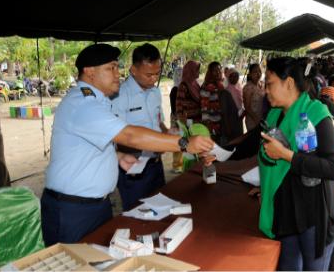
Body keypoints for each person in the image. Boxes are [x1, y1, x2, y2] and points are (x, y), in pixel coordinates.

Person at [41, 44, 214, 246]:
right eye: (110, 68)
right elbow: (129, 135)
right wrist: (184, 143)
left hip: (95, 205)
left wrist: (117, 157)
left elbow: (90, 144)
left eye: (117, 67)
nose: (117, 74)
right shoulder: (83, 103)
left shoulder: (99, 101)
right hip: (72, 210)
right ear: (89, 72)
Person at [258, 57, 334, 271]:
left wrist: (287, 155)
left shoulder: (317, 113)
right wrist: (218, 152)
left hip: (313, 215)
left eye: (269, 84)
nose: (265, 90)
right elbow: (251, 142)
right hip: (286, 214)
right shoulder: (274, 115)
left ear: (288, 83)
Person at [111, 43, 169, 211]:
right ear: (133, 70)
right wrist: (156, 144)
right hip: (134, 167)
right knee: (137, 216)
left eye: (157, 73)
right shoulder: (119, 95)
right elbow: (117, 137)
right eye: (149, 74)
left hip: (156, 165)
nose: (154, 79)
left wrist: (167, 133)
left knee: (161, 212)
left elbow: (159, 123)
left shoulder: (155, 92)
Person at [200, 61, 224, 142]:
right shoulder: (207, 86)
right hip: (211, 124)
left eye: (219, 70)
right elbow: (204, 107)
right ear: (210, 72)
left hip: (220, 122)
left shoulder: (220, 84)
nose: (218, 72)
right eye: (215, 70)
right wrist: (208, 126)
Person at [243, 63, 265, 131]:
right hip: (253, 120)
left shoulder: (260, 85)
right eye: (255, 72)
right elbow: (247, 107)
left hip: (260, 118)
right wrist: (256, 120)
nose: (258, 74)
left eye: (259, 71)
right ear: (250, 74)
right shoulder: (248, 87)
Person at [170, 66, 183, 173]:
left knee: (183, 142)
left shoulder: (182, 88)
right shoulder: (175, 89)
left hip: (180, 118)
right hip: (177, 119)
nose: (180, 76)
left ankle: (180, 164)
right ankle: (176, 165)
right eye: (179, 74)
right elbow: (175, 109)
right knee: (177, 142)